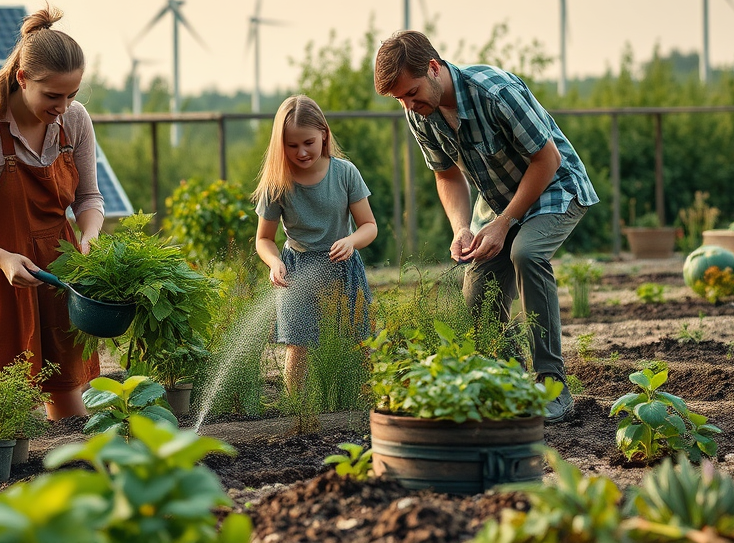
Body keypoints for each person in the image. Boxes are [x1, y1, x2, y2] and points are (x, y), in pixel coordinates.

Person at [373, 30, 599, 423]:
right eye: (400, 99)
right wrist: (462, 228)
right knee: (477, 292)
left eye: (411, 92)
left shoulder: (495, 92)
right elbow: (446, 176)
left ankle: (553, 387)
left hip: (556, 187)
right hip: (497, 205)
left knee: (525, 253)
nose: (408, 104)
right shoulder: (419, 114)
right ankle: (509, 384)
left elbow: (547, 161)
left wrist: (505, 223)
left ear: (433, 68)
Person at [0, 3, 103, 420]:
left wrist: (89, 234)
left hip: (56, 274)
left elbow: (89, 198)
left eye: (72, 94)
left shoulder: (75, 121)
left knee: (69, 406)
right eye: (52, 95)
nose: (63, 105)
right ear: (23, 79)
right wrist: (4, 258)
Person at [252, 94, 377, 395]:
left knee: (360, 340)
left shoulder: (345, 173)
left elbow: (369, 227)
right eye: (291, 145)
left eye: (308, 142)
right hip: (296, 271)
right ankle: (298, 408)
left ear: (324, 132)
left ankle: (367, 401)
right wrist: (274, 263)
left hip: (342, 267)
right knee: (298, 346)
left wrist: (350, 241)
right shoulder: (277, 182)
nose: (302, 152)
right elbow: (264, 239)